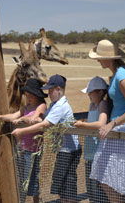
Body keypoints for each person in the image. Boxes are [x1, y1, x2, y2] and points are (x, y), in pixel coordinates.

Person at [88, 39, 125, 202]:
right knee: (114, 177)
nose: (98, 60)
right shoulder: (118, 74)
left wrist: (112, 123)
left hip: (124, 129)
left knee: (113, 176)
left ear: (110, 58)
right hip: (120, 128)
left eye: (99, 57)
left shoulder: (121, 76)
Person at [12, 74, 81, 203]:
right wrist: (31, 118)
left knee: (66, 182)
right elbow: (43, 119)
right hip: (64, 149)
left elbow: (45, 124)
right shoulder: (54, 105)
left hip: (69, 150)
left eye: (51, 90)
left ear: (59, 89)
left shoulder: (60, 106)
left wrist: (22, 131)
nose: (49, 93)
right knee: (63, 181)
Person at [0, 78, 47, 203]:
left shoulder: (41, 106)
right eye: (26, 95)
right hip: (22, 148)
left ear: (37, 95)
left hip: (33, 151)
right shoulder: (25, 107)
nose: (28, 98)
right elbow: (13, 116)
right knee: (21, 178)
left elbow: (35, 119)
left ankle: (36, 200)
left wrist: (22, 119)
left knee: (32, 178)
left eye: (30, 95)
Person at [74, 76, 109, 203]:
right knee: (91, 189)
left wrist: (83, 125)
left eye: (91, 92)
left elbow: (101, 124)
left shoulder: (103, 104)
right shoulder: (92, 105)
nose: (89, 94)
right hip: (90, 152)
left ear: (100, 92)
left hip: (99, 153)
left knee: (99, 189)